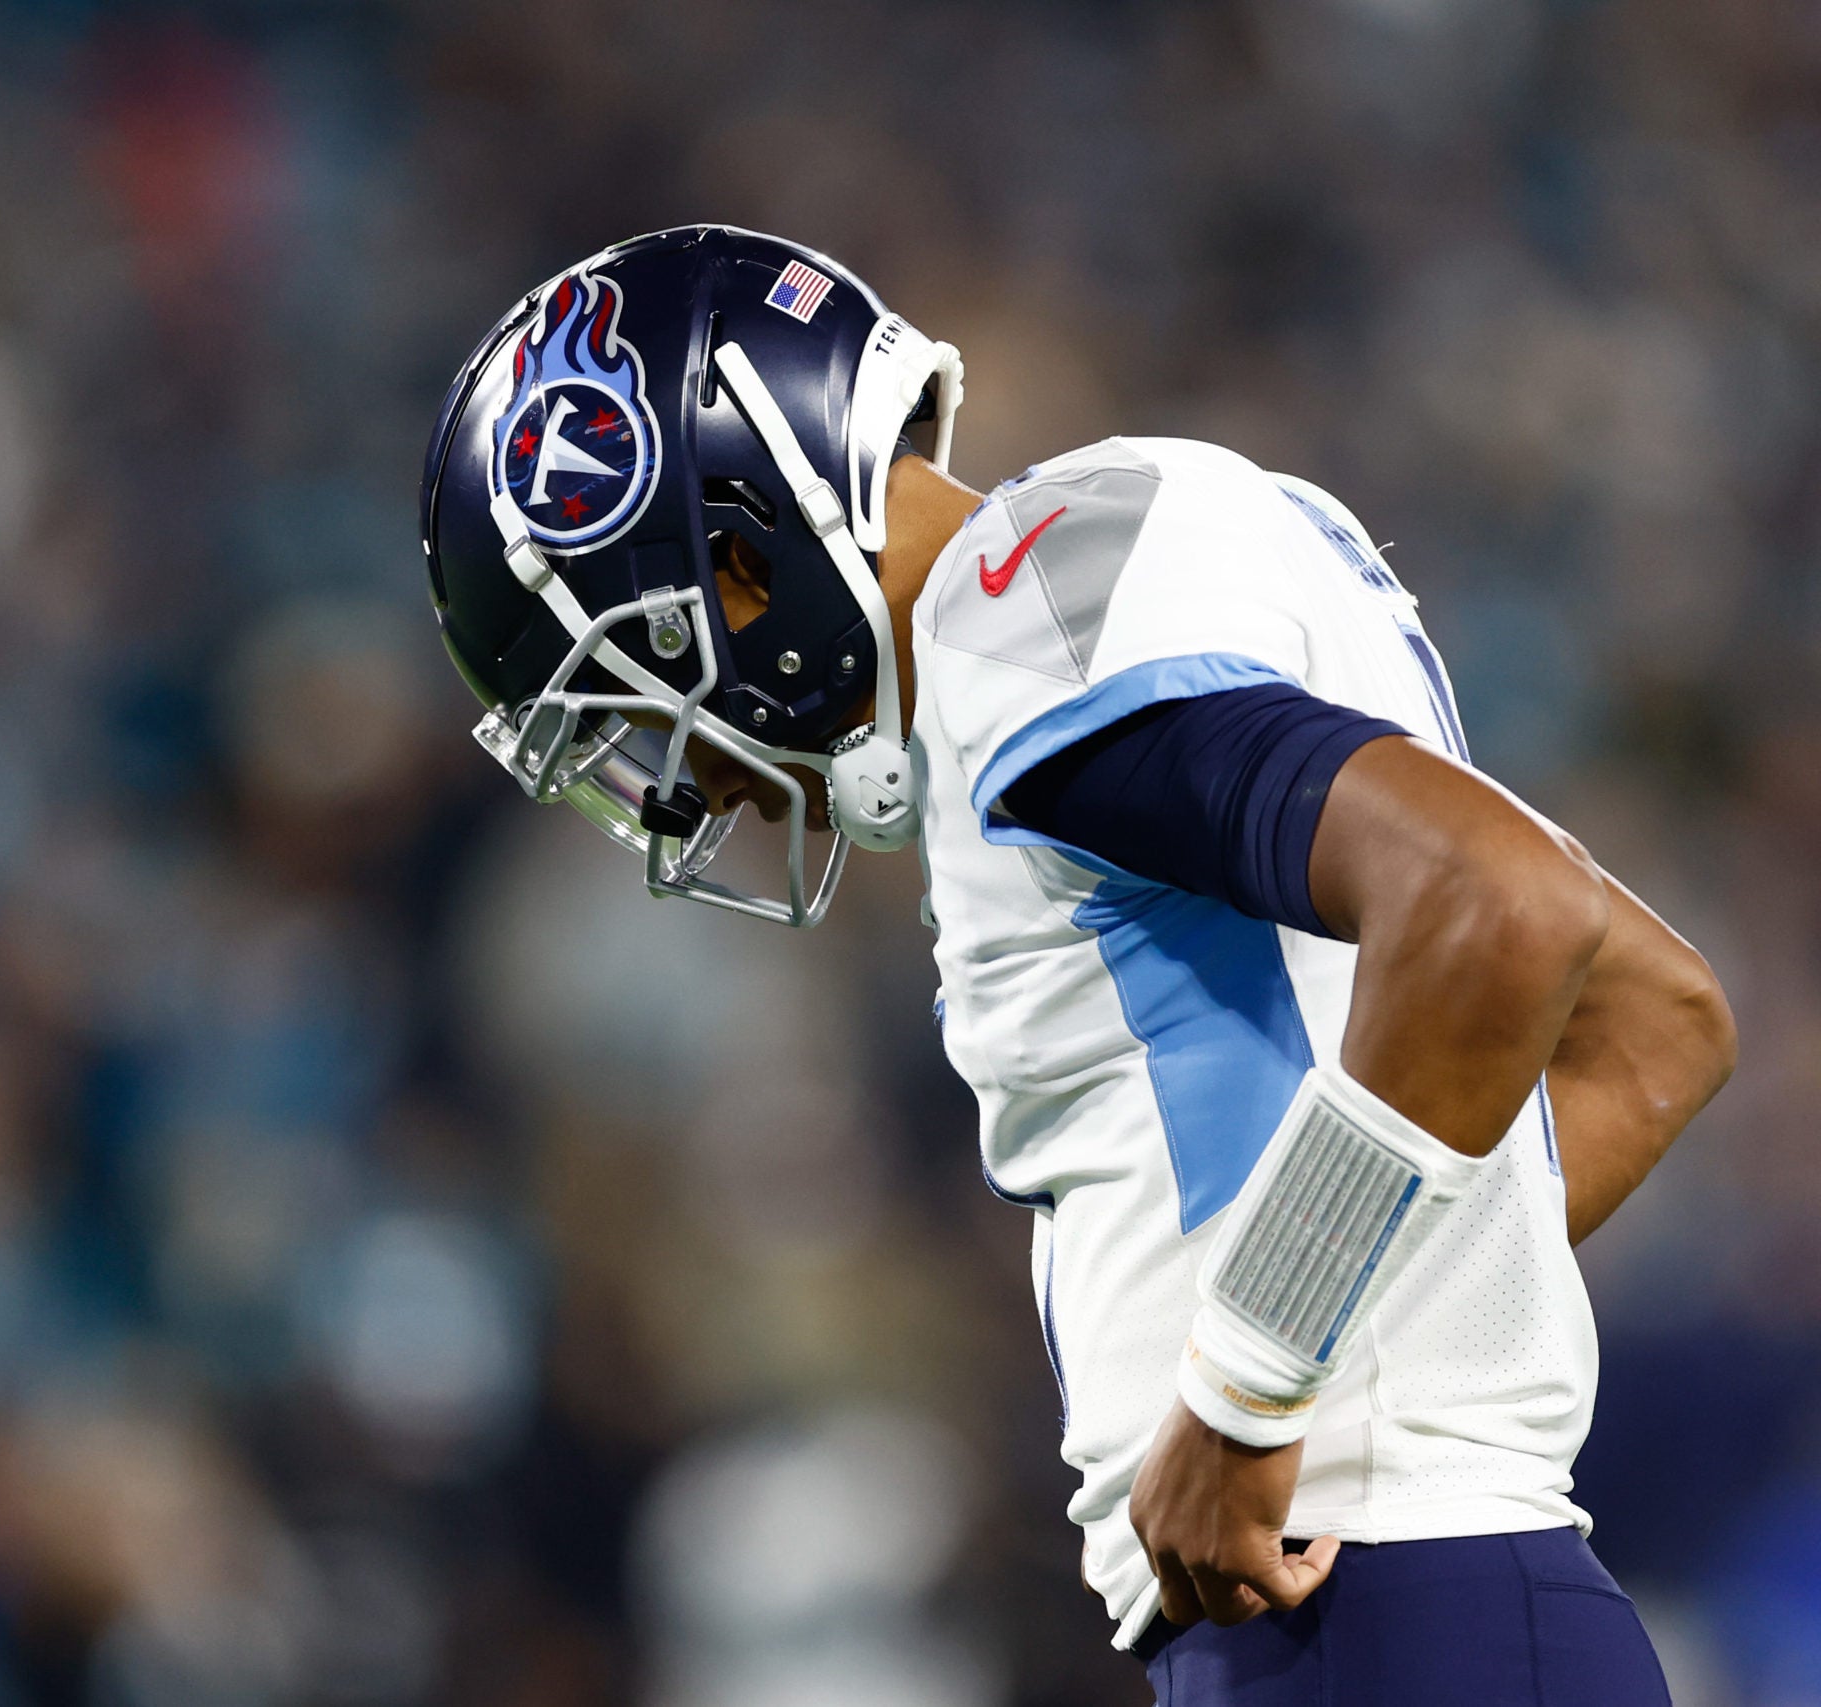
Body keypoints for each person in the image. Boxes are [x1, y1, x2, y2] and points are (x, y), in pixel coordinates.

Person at [418, 226, 1737, 1702]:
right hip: (1421, 1603)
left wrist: (1253, 1388)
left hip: (1376, 1616)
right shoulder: (1148, 545)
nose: (681, 782)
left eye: (642, 680)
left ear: (740, 550)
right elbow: (1652, 1025)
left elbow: (1503, 913)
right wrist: (1377, 1331)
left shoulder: (1013, 627)